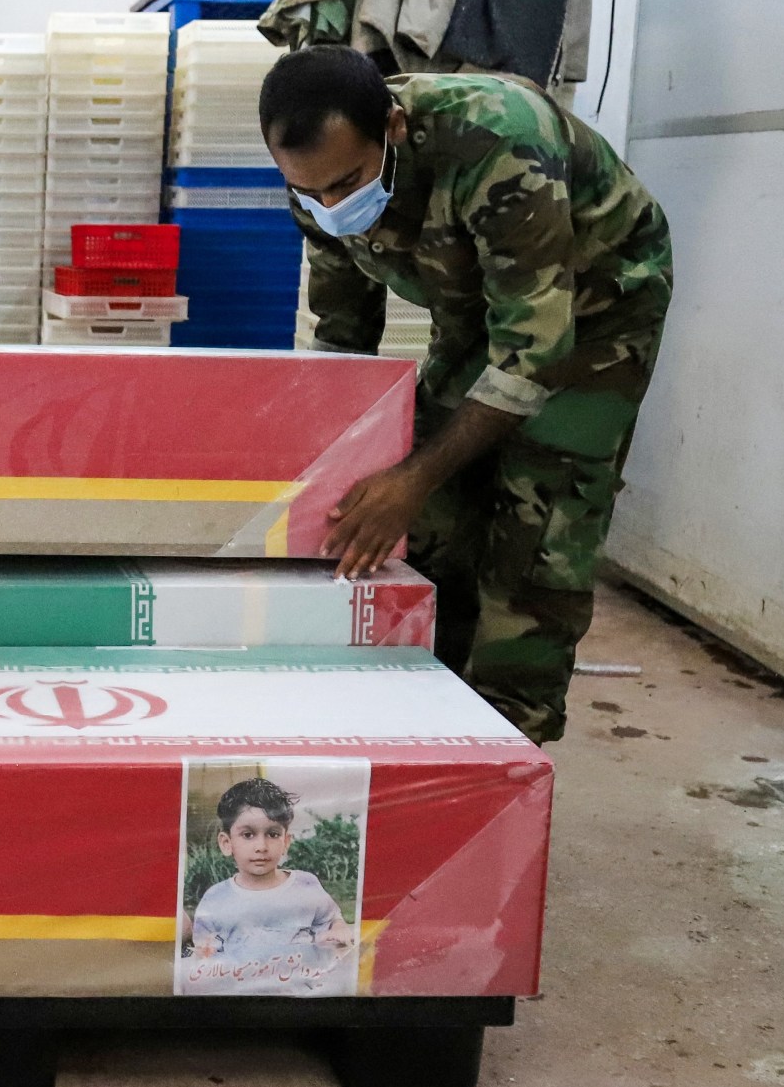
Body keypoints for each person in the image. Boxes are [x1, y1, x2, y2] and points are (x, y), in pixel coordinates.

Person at [261, 46, 673, 743]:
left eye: (347, 184)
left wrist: (411, 478)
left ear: (394, 128)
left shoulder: (499, 140)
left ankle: (509, 742)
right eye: (310, 192)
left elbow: (536, 350)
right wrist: (331, 467)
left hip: (599, 308)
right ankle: (435, 711)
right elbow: (342, 334)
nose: (330, 205)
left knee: (538, 527)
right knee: (433, 523)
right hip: (477, 311)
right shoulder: (316, 180)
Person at [183, 778, 355, 996]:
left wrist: (338, 929)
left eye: (272, 834)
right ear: (227, 843)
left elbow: (331, 919)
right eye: (248, 835)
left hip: (301, 994)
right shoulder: (215, 898)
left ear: (286, 842)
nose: (261, 846)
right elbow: (205, 956)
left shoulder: (305, 885)